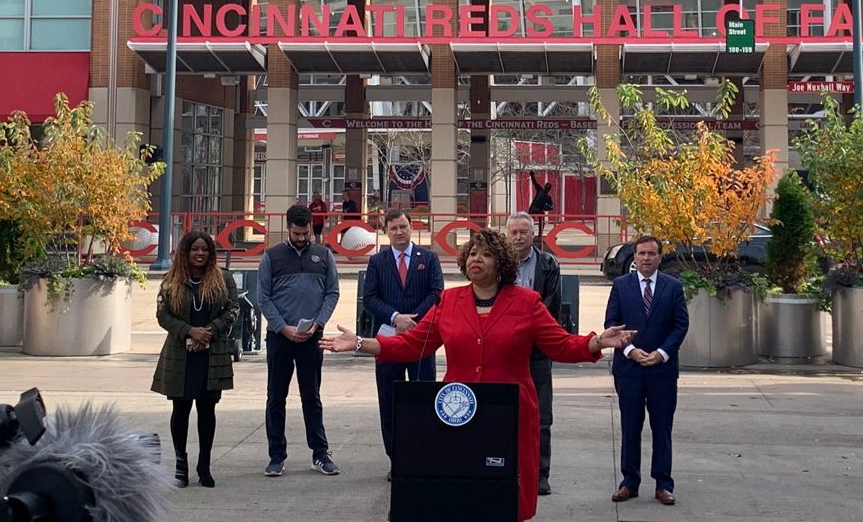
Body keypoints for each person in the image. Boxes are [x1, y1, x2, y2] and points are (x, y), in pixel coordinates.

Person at [321, 228, 634, 522]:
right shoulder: (449, 302)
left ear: (500, 263)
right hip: (459, 415)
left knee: (505, 496)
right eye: (471, 254)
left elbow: (561, 344)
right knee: (463, 492)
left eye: (484, 254)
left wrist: (596, 342)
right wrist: (361, 343)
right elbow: (412, 344)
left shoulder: (527, 303)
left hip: (511, 414)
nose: (476, 260)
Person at [604, 235, 690, 507]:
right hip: (629, 369)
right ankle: (629, 482)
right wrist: (630, 350)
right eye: (641, 253)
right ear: (635, 256)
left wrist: (662, 354)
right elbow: (611, 323)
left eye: (652, 253)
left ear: (660, 257)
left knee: (662, 427)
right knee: (630, 426)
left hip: (661, 371)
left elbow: (680, 325)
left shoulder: (673, 287)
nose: (646, 258)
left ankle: (663, 484)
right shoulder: (620, 285)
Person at [258, 203, 341, 478]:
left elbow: (332, 293)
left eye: (306, 233)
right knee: (276, 397)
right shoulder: (271, 257)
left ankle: (320, 453)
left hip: (311, 337)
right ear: (288, 229)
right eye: (297, 233)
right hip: (280, 338)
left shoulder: (324, 255)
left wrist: (318, 323)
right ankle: (276, 455)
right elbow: (263, 298)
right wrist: (283, 328)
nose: (303, 238)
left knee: (312, 396)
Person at [151, 231, 239, 488]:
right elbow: (163, 315)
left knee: (207, 409)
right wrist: (190, 331)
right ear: (185, 252)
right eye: (194, 249)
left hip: (212, 353)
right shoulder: (171, 281)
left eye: (204, 250)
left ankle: (204, 464)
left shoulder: (224, 278)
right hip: (181, 353)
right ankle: (181, 464)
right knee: (180, 410)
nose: (199, 254)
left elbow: (233, 309)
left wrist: (209, 332)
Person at [361, 209, 445, 474]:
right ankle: (396, 460)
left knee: (423, 398)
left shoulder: (429, 258)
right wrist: (396, 317)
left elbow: (437, 293)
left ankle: (423, 456)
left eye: (403, 227)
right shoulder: (378, 262)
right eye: (394, 228)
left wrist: (415, 320)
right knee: (389, 400)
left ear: (412, 228)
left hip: (421, 340)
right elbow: (370, 298)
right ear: (386, 231)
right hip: (387, 341)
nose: (399, 232)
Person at [506, 211, 561, 497]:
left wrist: (527, 333)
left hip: (537, 352)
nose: (518, 237)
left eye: (523, 232)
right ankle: (505, 468)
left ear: (533, 234)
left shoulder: (549, 264)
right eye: (513, 232)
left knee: (541, 417)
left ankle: (540, 475)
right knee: (503, 412)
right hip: (504, 351)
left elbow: (551, 309)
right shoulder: (498, 264)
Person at [528, 171, 554, 236]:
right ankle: (538, 234)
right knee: (540, 222)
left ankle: (532, 233)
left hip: (534, 209)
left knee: (531, 221)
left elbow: (535, 182)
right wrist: (548, 207)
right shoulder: (547, 196)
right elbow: (551, 207)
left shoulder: (540, 190)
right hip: (537, 209)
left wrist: (532, 175)